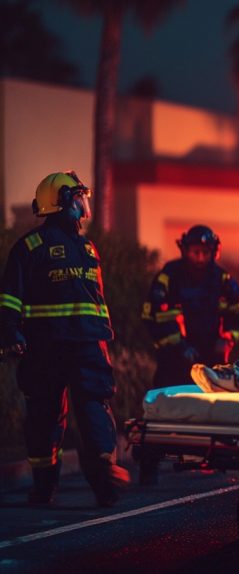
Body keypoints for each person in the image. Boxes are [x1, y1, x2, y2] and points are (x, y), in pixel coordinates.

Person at [0, 171, 129, 507]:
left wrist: (103, 334)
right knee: (54, 413)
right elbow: (10, 298)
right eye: (76, 198)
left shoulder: (86, 248)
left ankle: (100, 479)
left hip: (80, 344)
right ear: (60, 202)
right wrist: (10, 333)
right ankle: (60, 485)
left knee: (83, 408)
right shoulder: (31, 248)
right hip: (52, 345)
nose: (82, 205)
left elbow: (95, 300)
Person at [138, 224, 239, 484]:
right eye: (195, 251)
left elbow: (238, 313)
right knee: (161, 410)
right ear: (184, 249)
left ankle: (215, 460)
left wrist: (226, 339)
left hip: (212, 360)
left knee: (215, 410)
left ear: (214, 252)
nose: (199, 257)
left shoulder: (222, 279)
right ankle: (148, 465)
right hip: (174, 359)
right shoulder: (169, 275)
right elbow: (153, 315)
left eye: (205, 252)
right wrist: (178, 346)